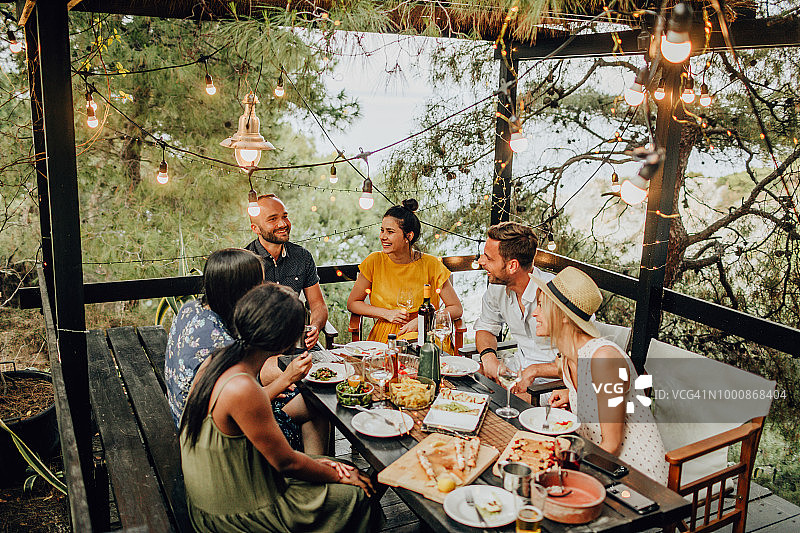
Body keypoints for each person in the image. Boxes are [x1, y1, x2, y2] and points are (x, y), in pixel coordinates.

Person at [180, 283, 379, 533]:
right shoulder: (242, 387)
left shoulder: (217, 359)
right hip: (236, 513)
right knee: (358, 494)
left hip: (220, 488)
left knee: (334, 465)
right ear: (284, 343)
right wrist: (339, 476)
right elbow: (288, 464)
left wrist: (330, 469)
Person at [165, 248, 328, 454]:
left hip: (186, 415)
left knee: (303, 397)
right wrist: (285, 379)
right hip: (211, 438)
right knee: (316, 407)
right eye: (259, 285)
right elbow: (232, 407)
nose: (262, 290)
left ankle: (315, 468)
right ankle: (310, 474)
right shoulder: (221, 345)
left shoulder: (192, 308)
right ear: (242, 291)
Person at [522, 266, 668, 483]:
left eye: (542, 306)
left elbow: (612, 444)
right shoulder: (569, 356)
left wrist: (559, 466)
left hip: (633, 474)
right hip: (596, 459)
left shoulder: (604, 360)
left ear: (563, 316)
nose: (534, 313)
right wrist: (570, 394)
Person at [346, 199, 463, 346]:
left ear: (409, 236)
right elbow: (353, 303)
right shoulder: (374, 261)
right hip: (388, 337)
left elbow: (456, 308)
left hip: (426, 334)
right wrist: (387, 314)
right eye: (382, 230)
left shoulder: (431, 264)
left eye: (390, 232)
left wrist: (422, 321)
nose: (383, 236)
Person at [474, 222, 559, 385]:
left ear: (512, 265)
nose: (481, 261)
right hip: (516, 371)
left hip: (553, 385)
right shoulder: (496, 288)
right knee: (463, 375)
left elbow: (585, 358)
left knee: (492, 400)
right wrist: (488, 356)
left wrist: (535, 370)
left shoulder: (557, 294)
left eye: (489, 258)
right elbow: (485, 327)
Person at [246, 194, 328, 350]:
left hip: (298, 343)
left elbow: (318, 304)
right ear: (255, 228)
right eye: (272, 219)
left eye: (285, 216)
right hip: (260, 348)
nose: (283, 224)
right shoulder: (246, 262)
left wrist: (315, 327)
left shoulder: (302, 257)